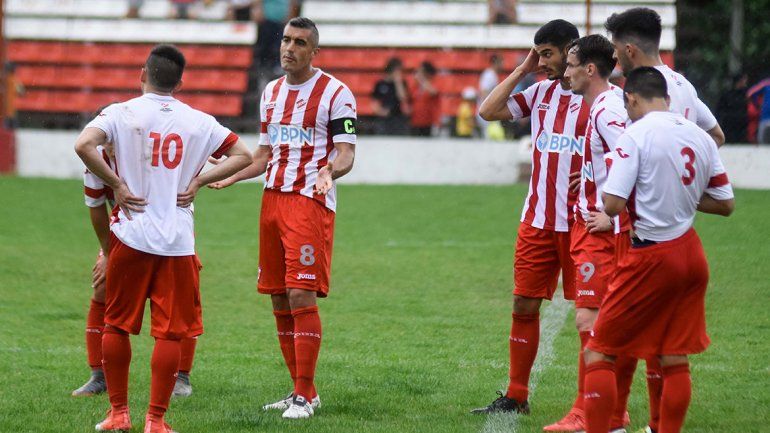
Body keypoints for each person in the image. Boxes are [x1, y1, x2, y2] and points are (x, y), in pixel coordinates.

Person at [74, 44, 252, 433]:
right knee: (171, 332)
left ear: (143, 74)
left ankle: (119, 414)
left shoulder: (120, 113)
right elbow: (245, 155)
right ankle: (156, 420)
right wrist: (200, 179)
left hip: (131, 235)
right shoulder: (199, 121)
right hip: (177, 241)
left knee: (117, 325)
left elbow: (83, 145)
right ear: (180, 83)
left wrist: (117, 184)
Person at [207, 17, 356, 420]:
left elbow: (346, 151)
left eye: (300, 42)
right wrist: (233, 176)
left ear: (314, 51)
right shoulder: (271, 92)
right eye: (286, 40)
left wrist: (330, 170)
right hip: (271, 201)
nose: (289, 48)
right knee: (277, 295)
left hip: (309, 201)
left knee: (300, 293)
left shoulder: (336, 93)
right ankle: (299, 392)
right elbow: (263, 155)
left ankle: (305, 396)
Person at [583, 66, 734, 433]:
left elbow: (614, 203)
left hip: (650, 254)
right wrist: (682, 197)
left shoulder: (635, 135)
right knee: (673, 355)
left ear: (631, 98)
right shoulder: (699, 136)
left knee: (599, 350)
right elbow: (725, 202)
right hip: (691, 253)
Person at [472, 19, 586, 415]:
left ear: (572, 51)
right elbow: (487, 111)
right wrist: (522, 70)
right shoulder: (539, 93)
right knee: (523, 304)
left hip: (583, 225)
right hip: (537, 221)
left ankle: (594, 403)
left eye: (547, 54)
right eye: (537, 53)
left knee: (590, 317)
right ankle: (516, 395)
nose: (542, 61)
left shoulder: (602, 101)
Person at [544, 34, 633, 433]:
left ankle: (590, 414)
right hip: (590, 226)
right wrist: (594, 175)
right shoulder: (606, 104)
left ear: (590, 69)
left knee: (590, 321)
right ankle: (611, 412)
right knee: (599, 320)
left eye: (571, 65)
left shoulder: (606, 111)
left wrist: (612, 217)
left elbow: (633, 158)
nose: (566, 72)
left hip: (599, 232)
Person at [73, 134, 202, 399]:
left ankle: (181, 377)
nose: (108, 144)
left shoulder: (148, 156)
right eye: (103, 138)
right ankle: (99, 377)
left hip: (170, 231)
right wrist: (108, 254)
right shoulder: (95, 162)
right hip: (126, 232)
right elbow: (96, 207)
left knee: (179, 304)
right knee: (102, 289)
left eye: (112, 137)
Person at [371, 57, 410, 135]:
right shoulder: (380, 84)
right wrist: (380, 111)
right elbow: (374, 102)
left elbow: (403, 98)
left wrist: (398, 82)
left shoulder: (402, 83)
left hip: (398, 117)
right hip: (383, 118)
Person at [715, 73, 748, 143]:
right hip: (730, 127)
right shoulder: (727, 95)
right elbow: (719, 110)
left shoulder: (746, 94)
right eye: (743, 80)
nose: (745, 82)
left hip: (742, 128)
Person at [477, 54, 504, 138]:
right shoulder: (490, 75)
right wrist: (491, 106)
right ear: (495, 63)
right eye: (501, 63)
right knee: (489, 136)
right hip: (487, 111)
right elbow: (484, 92)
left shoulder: (491, 74)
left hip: (488, 110)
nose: (502, 65)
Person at [410, 61, 440, 136]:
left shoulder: (434, 83)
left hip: (429, 123)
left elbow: (433, 92)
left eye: (421, 71)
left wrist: (422, 80)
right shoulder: (415, 86)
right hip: (415, 122)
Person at [747, 76, 770, 144]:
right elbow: (750, 93)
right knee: (762, 142)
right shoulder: (767, 83)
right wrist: (757, 105)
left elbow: (750, 93)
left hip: (765, 117)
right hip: (765, 117)